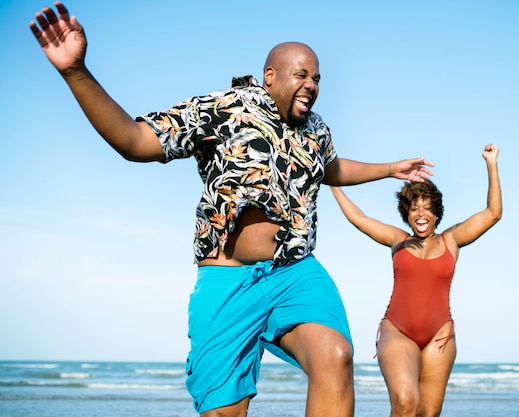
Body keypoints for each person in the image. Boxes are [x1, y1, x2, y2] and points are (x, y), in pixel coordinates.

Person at [29, 3, 436, 417]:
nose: (311, 85)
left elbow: (331, 168)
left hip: (295, 273)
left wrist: (388, 169)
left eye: (316, 78)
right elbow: (135, 141)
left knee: (335, 353)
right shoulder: (224, 109)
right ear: (270, 76)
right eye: (302, 75)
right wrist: (75, 72)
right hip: (227, 281)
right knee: (224, 412)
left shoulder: (316, 129)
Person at [331, 144, 502, 417]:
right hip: (398, 331)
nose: (421, 214)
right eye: (414, 209)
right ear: (406, 213)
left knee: (428, 413)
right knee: (405, 402)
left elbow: (493, 213)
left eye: (427, 208)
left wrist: (491, 163)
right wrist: (332, 181)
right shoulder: (398, 239)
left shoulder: (452, 240)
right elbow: (358, 218)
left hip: (439, 337)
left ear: (437, 213)